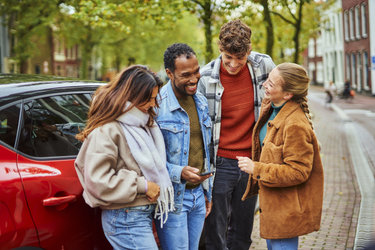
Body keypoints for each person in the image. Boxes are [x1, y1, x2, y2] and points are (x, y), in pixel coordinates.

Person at [74, 65, 174, 250]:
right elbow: (98, 181)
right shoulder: (107, 130)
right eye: (149, 99)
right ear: (134, 96)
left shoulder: (141, 124)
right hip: (125, 218)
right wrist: (143, 185)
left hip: (136, 215)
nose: (153, 104)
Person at [198, 19, 275, 250]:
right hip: (219, 163)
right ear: (220, 49)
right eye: (227, 58)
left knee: (242, 231)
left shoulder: (265, 66)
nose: (233, 65)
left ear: (249, 51)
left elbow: (284, 99)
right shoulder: (205, 78)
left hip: (251, 161)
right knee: (215, 231)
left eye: (239, 59)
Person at [237, 62, 324, 250]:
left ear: (287, 94)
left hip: (285, 210)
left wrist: (256, 168)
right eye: (267, 80)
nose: (264, 86)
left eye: (271, 84)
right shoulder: (271, 107)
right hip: (273, 206)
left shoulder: (295, 124)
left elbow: (298, 172)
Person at [155, 43, 213, 250]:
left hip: (198, 194)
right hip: (173, 199)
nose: (194, 79)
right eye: (186, 74)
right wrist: (179, 172)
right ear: (169, 73)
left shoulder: (200, 101)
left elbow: (204, 150)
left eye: (197, 71)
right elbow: (149, 160)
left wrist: (207, 193)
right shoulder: (157, 106)